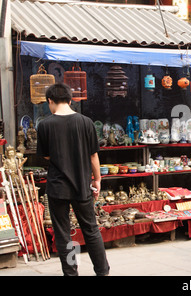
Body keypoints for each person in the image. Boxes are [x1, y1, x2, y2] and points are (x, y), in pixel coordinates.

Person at [36, 83, 109, 276]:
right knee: (91, 230)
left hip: (57, 188)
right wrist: (97, 180)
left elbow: (45, 156)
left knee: (63, 233)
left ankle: (71, 273)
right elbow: (94, 156)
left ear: (50, 101)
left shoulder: (44, 125)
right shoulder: (86, 122)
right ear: (70, 100)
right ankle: (102, 272)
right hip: (81, 184)